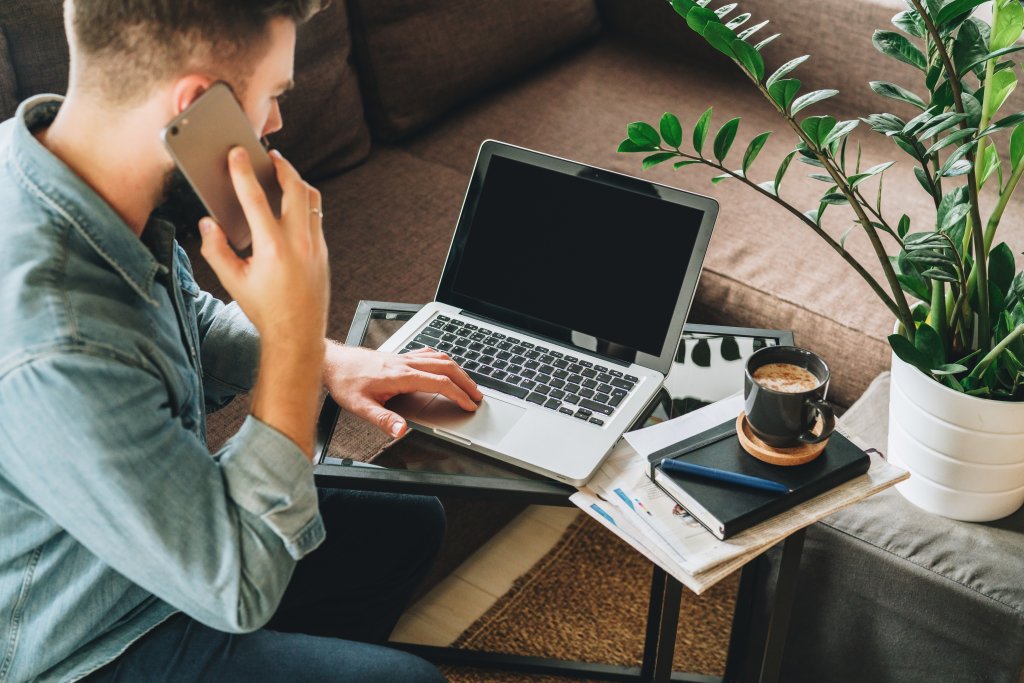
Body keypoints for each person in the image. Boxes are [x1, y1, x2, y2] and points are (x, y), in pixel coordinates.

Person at [0, 1, 483, 680]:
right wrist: (289, 336)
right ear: (197, 105)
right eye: (274, 96)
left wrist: (323, 357)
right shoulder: (58, 337)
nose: (277, 124)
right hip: (85, 638)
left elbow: (188, 319)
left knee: (408, 525)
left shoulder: (60, 171)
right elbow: (239, 587)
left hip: (150, 547)